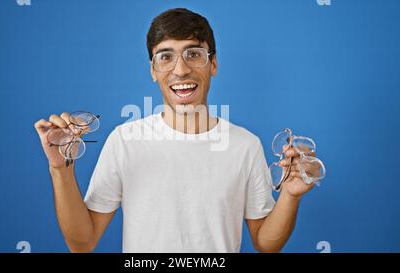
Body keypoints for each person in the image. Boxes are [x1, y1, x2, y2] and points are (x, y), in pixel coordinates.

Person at [34, 8, 316, 253]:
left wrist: (290, 196)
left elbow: (266, 243)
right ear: (153, 70)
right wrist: (60, 168)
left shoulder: (246, 145)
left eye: (193, 54)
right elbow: (82, 243)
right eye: (165, 57)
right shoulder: (124, 141)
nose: (180, 70)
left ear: (213, 64)